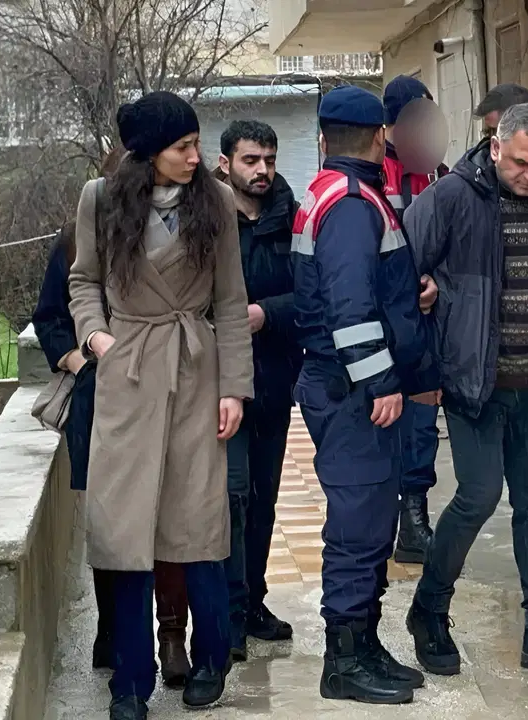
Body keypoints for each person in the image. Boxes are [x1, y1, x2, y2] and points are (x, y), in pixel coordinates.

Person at [69, 91, 253, 720]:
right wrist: (97, 337)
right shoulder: (99, 199)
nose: (196, 157)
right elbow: (82, 281)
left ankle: (210, 660)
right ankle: (130, 682)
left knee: (197, 526)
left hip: (196, 371)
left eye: (198, 144)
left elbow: (230, 301)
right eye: (183, 147)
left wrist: (234, 388)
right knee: (125, 533)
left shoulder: (217, 201)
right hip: (128, 377)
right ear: (146, 153)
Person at [402, 102, 528, 678]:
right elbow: (401, 278)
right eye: (519, 163)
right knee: (479, 495)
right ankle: (429, 608)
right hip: (474, 384)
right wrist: (421, 371)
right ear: (495, 147)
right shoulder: (451, 198)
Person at [291, 85, 441, 705]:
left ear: (324, 136)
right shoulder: (354, 203)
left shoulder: (335, 192)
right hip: (353, 393)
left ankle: (365, 643)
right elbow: (349, 307)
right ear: (381, 136)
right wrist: (380, 380)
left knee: (372, 522)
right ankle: (345, 661)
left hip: (343, 386)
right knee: (357, 528)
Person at [30, 145, 124, 672]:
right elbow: (48, 317)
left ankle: (168, 635)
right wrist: (79, 359)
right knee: (106, 522)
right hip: (94, 400)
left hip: (156, 396)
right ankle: (109, 633)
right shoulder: (69, 242)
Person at [215, 120, 302, 661]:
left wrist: (264, 314)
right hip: (220, 384)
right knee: (232, 496)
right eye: (250, 160)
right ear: (225, 163)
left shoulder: (291, 217)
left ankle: (253, 604)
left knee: (265, 500)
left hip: (273, 377)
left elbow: (312, 295)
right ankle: (225, 611)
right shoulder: (204, 219)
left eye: (268, 159)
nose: (262, 170)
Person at [381, 74, 449, 564]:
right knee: (384, 420)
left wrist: (438, 284)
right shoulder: (370, 173)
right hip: (383, 320)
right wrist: (407, 291)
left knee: (422, 420)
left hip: (430, 319)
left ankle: (414, 519)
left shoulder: (439, 173)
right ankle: (381, 520)